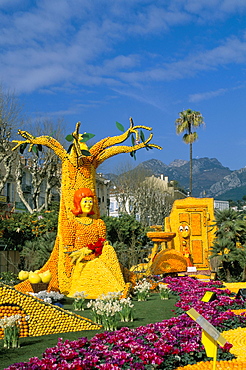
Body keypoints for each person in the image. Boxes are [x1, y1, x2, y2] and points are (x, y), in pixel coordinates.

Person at [63, 188, 125, 298]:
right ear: (78, 203)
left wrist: (96, 250)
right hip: (82, 260)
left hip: (98, 256)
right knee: (94, 264)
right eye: (85, 201)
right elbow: (67, 248)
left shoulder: (98, 224)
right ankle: (114, 290)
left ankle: (117, 288)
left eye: (90, 201)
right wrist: (81, 253)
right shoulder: (72, 224)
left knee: (108, 250)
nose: (88, 204)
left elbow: (103, 243)